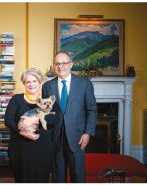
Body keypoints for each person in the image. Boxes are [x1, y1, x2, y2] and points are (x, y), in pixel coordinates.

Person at [42, 51, 98, 183]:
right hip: (55, 138)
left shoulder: (84, 84)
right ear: (54, 66)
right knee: (57, 177)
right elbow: (46, 113)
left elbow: (92, 110)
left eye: (64, 63)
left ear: (71, 64)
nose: (60, 66)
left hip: (77, 138)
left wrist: (87, 133)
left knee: (77, 176)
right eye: (57, 63)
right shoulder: (47, 86)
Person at [5, 68, 56, 183]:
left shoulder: (47, 100)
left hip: (43, 148)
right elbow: (8, 121)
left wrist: (35, 119)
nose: (31, 84)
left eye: (34, 81)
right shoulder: (16, 99)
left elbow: (56, 118)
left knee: (41, 179)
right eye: (28, 82)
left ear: (39, 82)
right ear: (24, 83)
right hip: (20, 148)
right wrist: (22, 132)